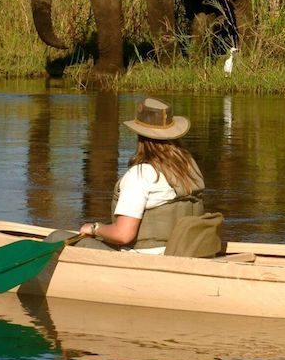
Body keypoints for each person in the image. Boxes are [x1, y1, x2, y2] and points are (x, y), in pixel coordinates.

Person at [78, 97, 205, 254]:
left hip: (145, 259)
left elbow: (123, 235)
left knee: (56, 238)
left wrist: (94, 228)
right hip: (186, 251)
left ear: (140, 135)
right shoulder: (189, 166)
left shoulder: (140, 175)